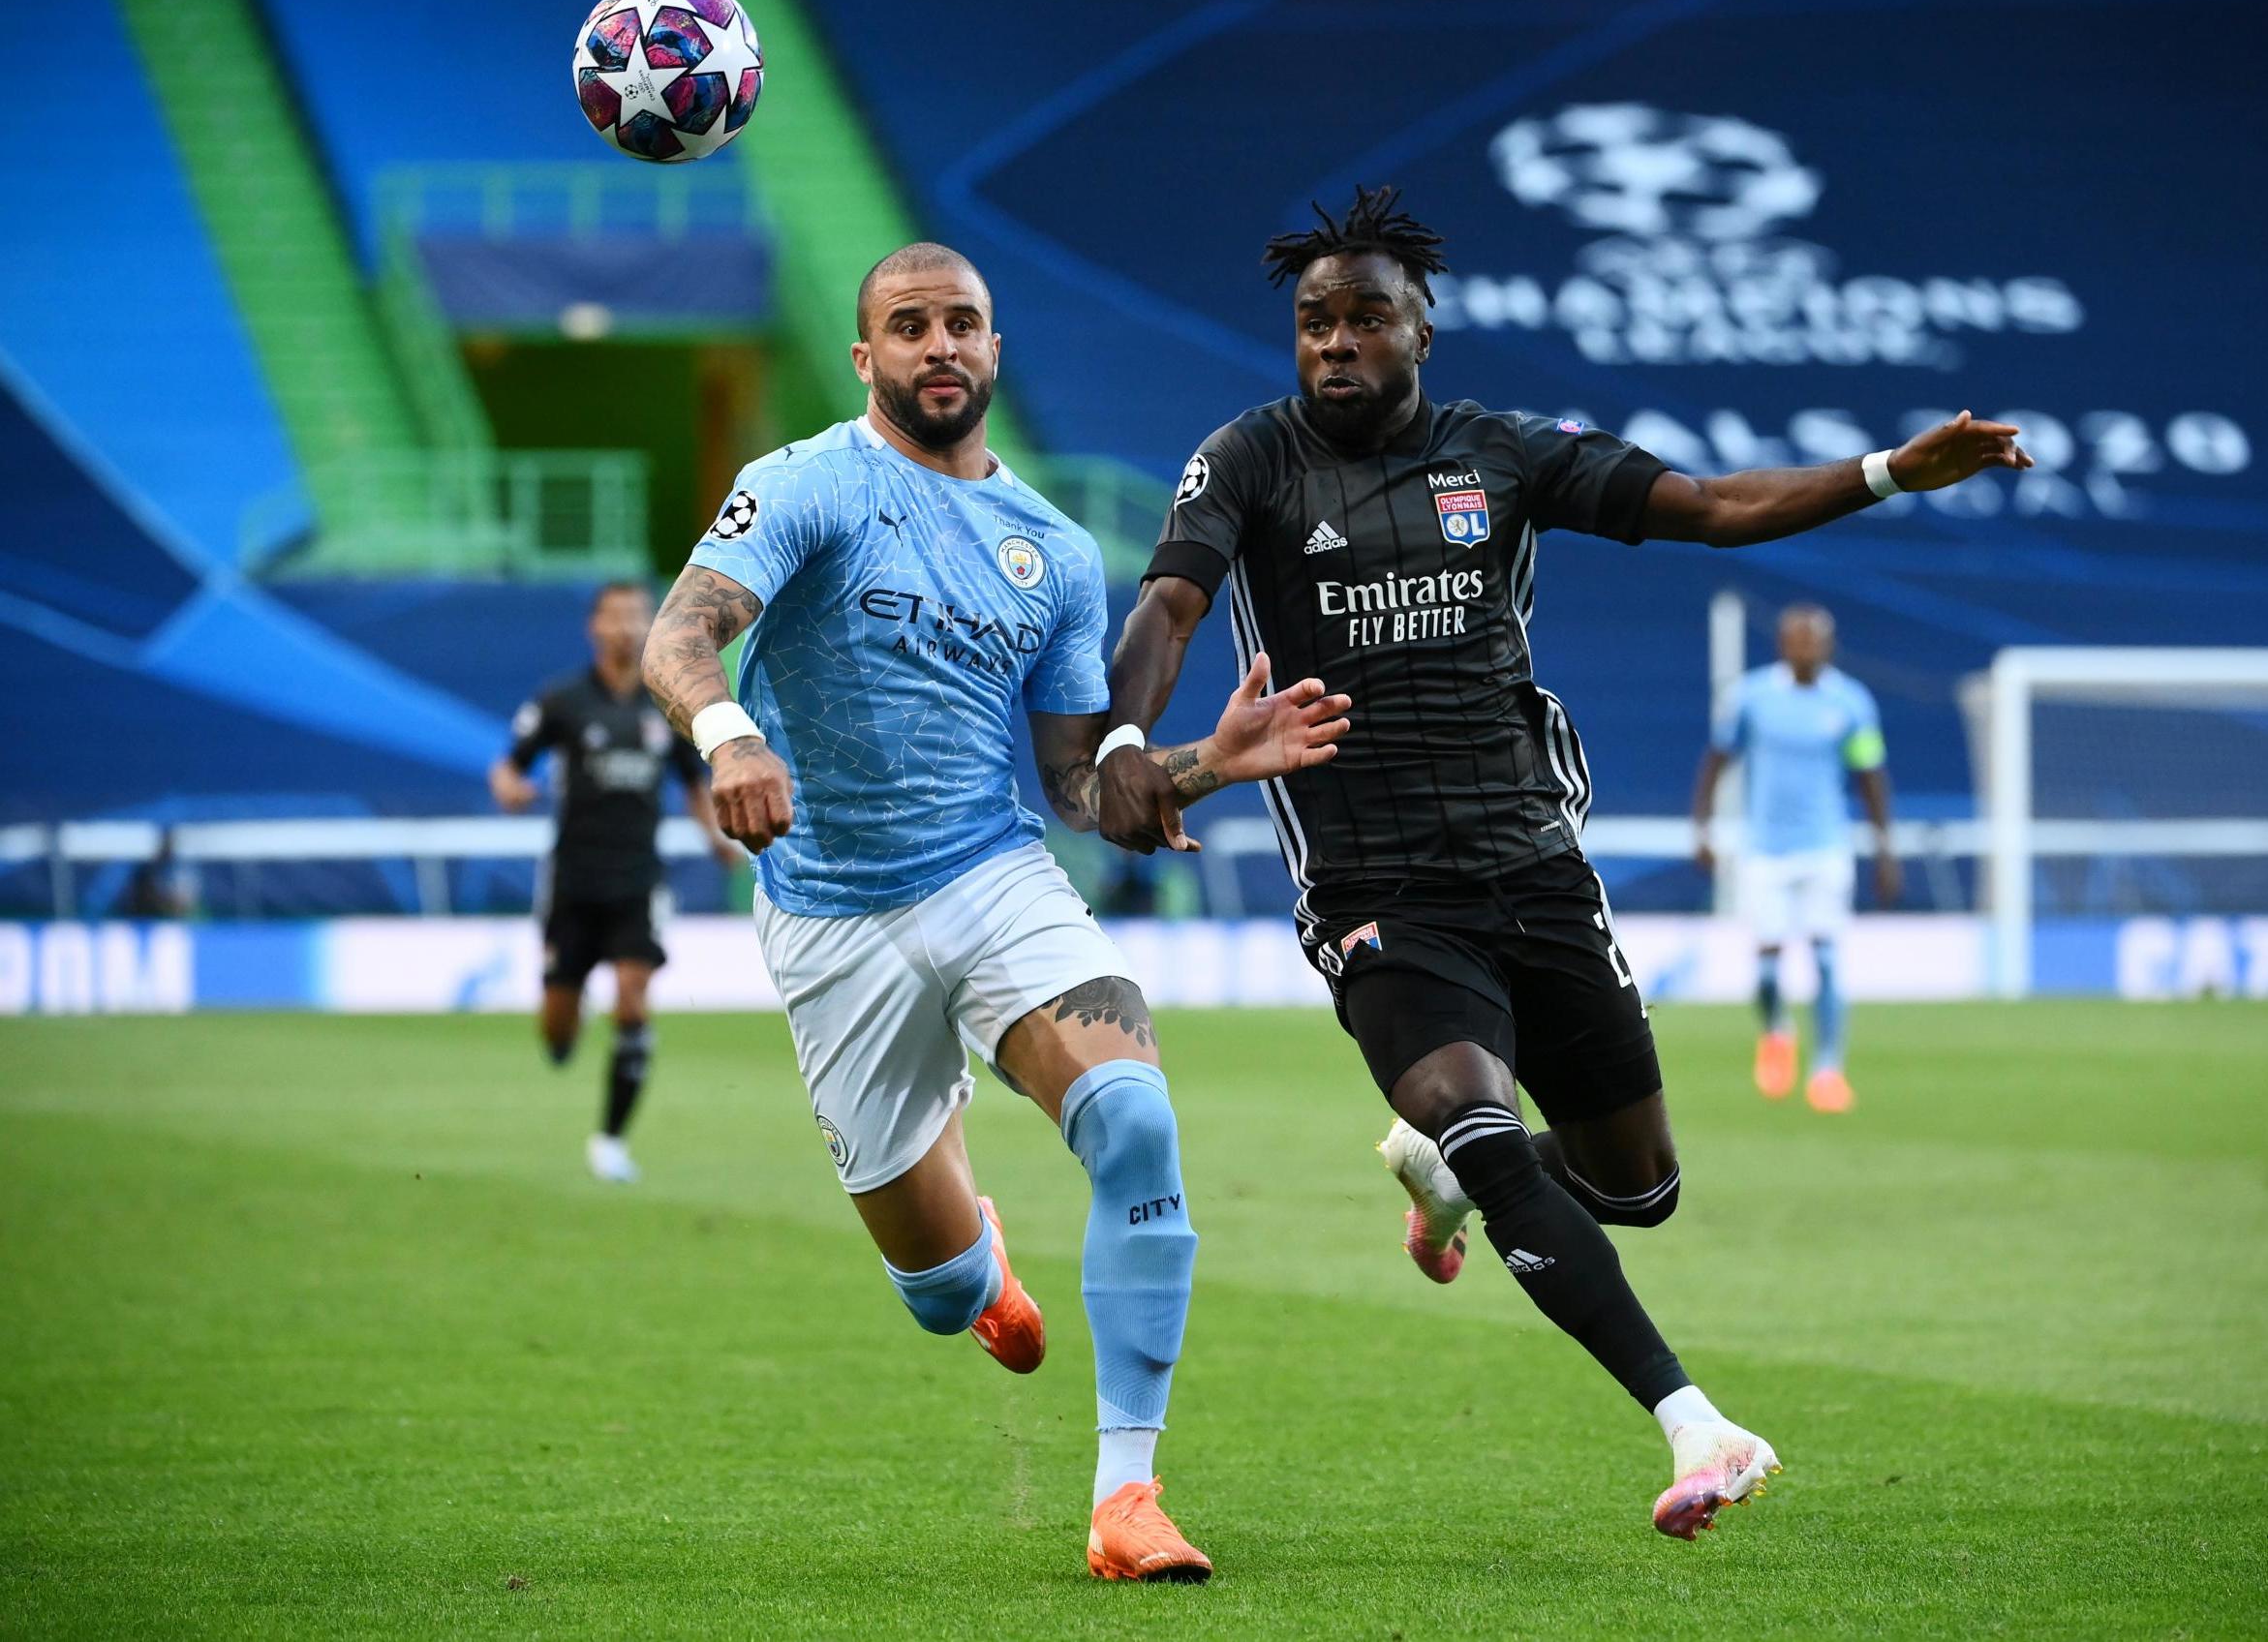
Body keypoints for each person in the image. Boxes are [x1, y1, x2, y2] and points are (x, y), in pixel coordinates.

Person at [1097, 186, 2030, 1538]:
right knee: (1475, 1120)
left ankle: (1445, 1175)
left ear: (1424, 329)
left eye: (1366, 318)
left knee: (1638, 1184)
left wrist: (1883, 473)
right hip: (1376, 893)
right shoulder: (1247, 460)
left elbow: (1706, 505)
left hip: (1533, 865)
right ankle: (1691, 1417)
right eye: (1313, 322)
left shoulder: (1507, 454)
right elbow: (1167, 601)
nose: (1335, 344)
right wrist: (1131, 731)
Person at [639, 242, 1348, 1581]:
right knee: (942, 1295)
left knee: (1133, 1117)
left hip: (992, 877)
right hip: (830, 920)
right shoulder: (802, 484)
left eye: (962, 322)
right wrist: (729, 737)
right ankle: (983, 1267)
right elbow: (676, 637)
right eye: (907, 327)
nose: (938, 346)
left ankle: (1126, 1500)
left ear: (995, 348)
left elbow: (1083, 784)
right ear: (866, 358)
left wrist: (1204, 758)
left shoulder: (1055, 551)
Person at [490, 581, 742, 1183]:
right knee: (559, 1027)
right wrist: (509, 788)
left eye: (638, 616)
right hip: (573, 882)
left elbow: (692, 784)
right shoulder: (562, 701)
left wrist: (716, 836)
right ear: (594, 628)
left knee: (633, 999)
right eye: (615, 617)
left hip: (637, 879)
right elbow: (509, 764)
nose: (627, 627)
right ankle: (561, 1027)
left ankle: (610, 1141)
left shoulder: (666, 707)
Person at [1692, 605, 1898, 1112]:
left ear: (1829, 646)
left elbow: (1871, 775)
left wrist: (1884, 848)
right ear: (1782, 644)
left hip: (1827, 846)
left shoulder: (1851, 702)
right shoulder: (1752, 698)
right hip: (1764, 850)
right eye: (1795, 640)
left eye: (1813, 641)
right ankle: (1777, 1031)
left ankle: (1828, 1070)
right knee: (1766, 967)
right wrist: (1703, 828)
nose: (1804, 648)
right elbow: (1717, 760)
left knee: (1827, 958)